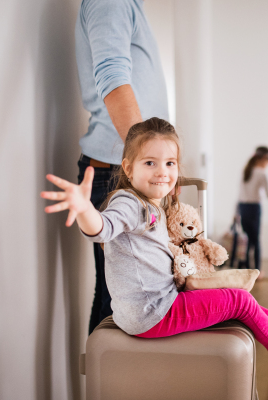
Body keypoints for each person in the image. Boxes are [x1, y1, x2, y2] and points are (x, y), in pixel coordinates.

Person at [41, 118, 268, 370]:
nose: (162, 172)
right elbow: (102, 229)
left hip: (156, 305)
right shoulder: (129, 203)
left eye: (169, 163)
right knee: (239, 300)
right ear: (128, 169)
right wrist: (84, 210)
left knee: (231, 292)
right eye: (150, 163)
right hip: (152, 314)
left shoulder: (151, 204)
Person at [75, 0, 169, 333]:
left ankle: (111, 386)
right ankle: (108, 387)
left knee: (121, 301)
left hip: (129, 171)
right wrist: (152, 164)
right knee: (120, 305)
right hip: (122, 175)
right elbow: (114, 80)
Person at [237, 146, 268, 275]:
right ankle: (258, 271)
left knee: (247, 239)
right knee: (256, 240)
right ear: (265, 158)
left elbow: (240, 194)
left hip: (242, 207)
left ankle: (248, 269)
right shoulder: (262, 173)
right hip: (254, 208)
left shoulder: (246, 170)